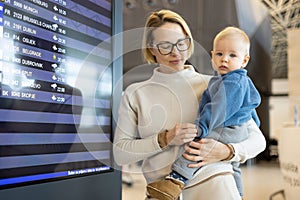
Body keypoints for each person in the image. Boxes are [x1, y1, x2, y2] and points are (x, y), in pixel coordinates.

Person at [113, 9, 266, 200]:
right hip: (162, 192)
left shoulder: (216, 86)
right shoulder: (135, 93)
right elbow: (121, 154)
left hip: (215, 183)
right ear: (152, 48)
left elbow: (258, 140)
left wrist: (228, 151)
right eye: (165, 46)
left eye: (181, 43)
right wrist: (165, 139)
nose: (176, 52)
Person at [146, 26, 261, 199]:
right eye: (219, 54)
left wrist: (200, 128)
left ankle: (176, 180)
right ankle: (238, 194)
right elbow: (250, 107)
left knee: (197, 146)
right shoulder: (229, 80)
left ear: (244, 60)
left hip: (228, 128)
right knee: (232, 165)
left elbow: (217, 109)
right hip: (236, 129)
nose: (224, 60)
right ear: (212, 55)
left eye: (232, 55)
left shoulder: (232, 82)